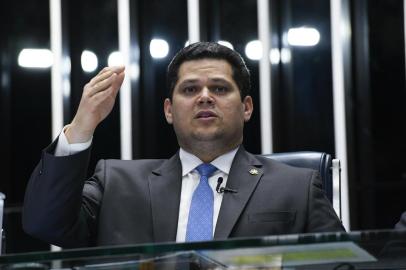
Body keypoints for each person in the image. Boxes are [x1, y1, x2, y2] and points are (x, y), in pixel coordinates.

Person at [22, 42, 344, 248]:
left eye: (219, 88)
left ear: (246, 107)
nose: (205, 97)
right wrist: (82, 126)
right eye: (190, 90)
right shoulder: (116, 183)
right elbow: (44, 224)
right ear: (168, 110)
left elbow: (345, 262)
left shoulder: (296, 186)